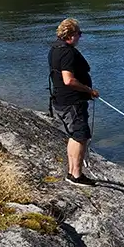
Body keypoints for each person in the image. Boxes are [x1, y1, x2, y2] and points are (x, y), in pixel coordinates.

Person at [49, 18, 99, 187]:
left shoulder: (54, 49)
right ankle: (77, 175)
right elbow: (68, 80)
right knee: (81, 136)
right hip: (72, 102)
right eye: (79, 33)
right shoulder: (67, 53)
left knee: (74, 136)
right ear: (70, 35)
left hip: (61, 101)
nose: (80, 37)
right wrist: (89, 90)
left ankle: (71, 172)